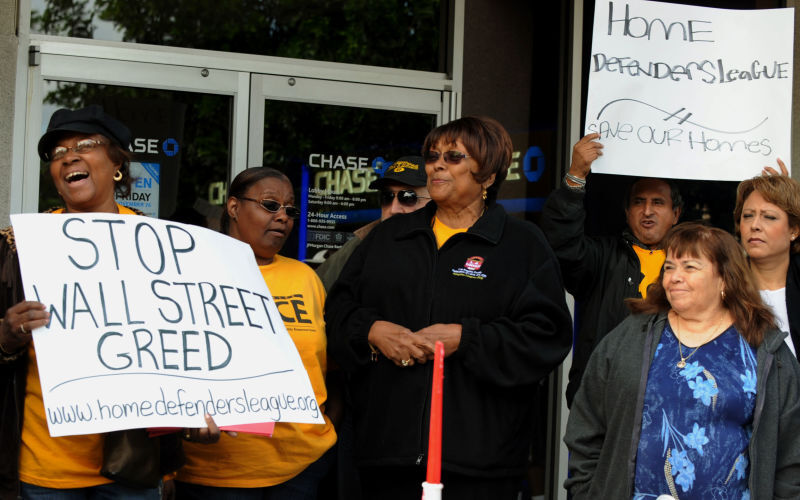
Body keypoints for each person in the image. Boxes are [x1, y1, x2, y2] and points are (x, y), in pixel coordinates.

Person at [326, 116, 572, 500]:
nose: (437, 166)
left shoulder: (522, 245)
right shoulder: (388, 237)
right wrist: (372, 331)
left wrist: (467, 338)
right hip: (387, 457)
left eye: (453, 157)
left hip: (480, 464)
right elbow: (338, 312)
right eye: (432, 156)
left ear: (488, 175)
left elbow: (547, 337)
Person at [0, 105, 187, 499]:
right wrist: (6, 336)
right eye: (57, 153)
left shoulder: (159, 244)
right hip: (46, 468)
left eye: (85, 145)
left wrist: (172, 455)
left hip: (132, 467)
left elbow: (180, 349)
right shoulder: (18, 247)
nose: (69, 157)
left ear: (117, 162)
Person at [564, 222, 800, 499]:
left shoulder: (764, 349)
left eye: (689, 267)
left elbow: (791, 454)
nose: (674, 277)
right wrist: (587, 492)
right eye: (669, 267)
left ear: (724, 279)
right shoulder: (631, 336)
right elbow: (586, 423)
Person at [174, 167, 337, 500]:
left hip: (302, 469)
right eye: (270, 205)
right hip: (218, 472)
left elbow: (329, 368)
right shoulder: (190, 274)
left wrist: (323, 435)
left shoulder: (305, 277)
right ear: (234, 207)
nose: (283, 217)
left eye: (290, 210)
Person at [540, 132, 682, 406]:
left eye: (658, 202)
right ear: (627, 212)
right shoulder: (601, 257)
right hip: (602, 400)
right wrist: (575, 177)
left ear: (675, 214)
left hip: (669, 400)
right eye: (639, 202)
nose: (647, 211)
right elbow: (561, 244)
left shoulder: (691, 264)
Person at [315, 156, 430, 292]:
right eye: (387, 197)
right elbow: (315, 291)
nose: (393, 209)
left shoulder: (448, 250)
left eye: (408, 197)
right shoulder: (358, 245)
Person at [734, 163, 800, 359]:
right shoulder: (725, 285)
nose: (755, 225)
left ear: (794, 230)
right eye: (747, 216)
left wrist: (786, 192)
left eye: (769, 217)